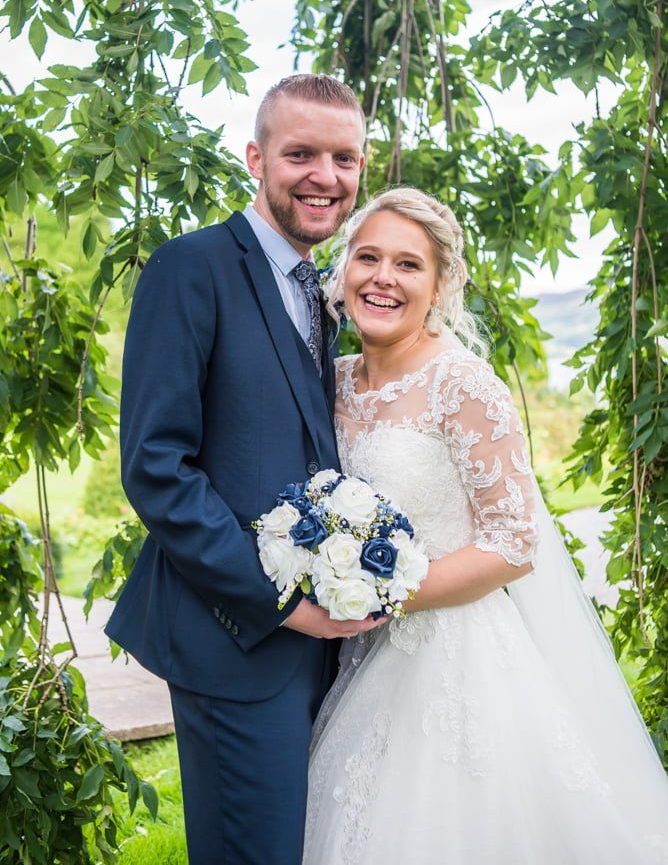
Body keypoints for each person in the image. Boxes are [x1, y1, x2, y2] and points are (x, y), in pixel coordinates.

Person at [303, 187, 668, 865]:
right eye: (368, 257)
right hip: (351, 654)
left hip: (454, 658)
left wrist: (383, 593)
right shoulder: (331, 378)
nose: (383, 278)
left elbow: (514, 542)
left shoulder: (463, 384)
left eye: (409, 265)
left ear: (441, 286)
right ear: (342, 268)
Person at [105, 74, 380, 865]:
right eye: (301, 154)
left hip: (324, 645)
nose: (325, 177)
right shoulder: (190, 268)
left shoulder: (324, 289)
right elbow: (157, 467)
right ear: (255, 158)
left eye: (344, 157)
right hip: (235, 638)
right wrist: (281, 602)